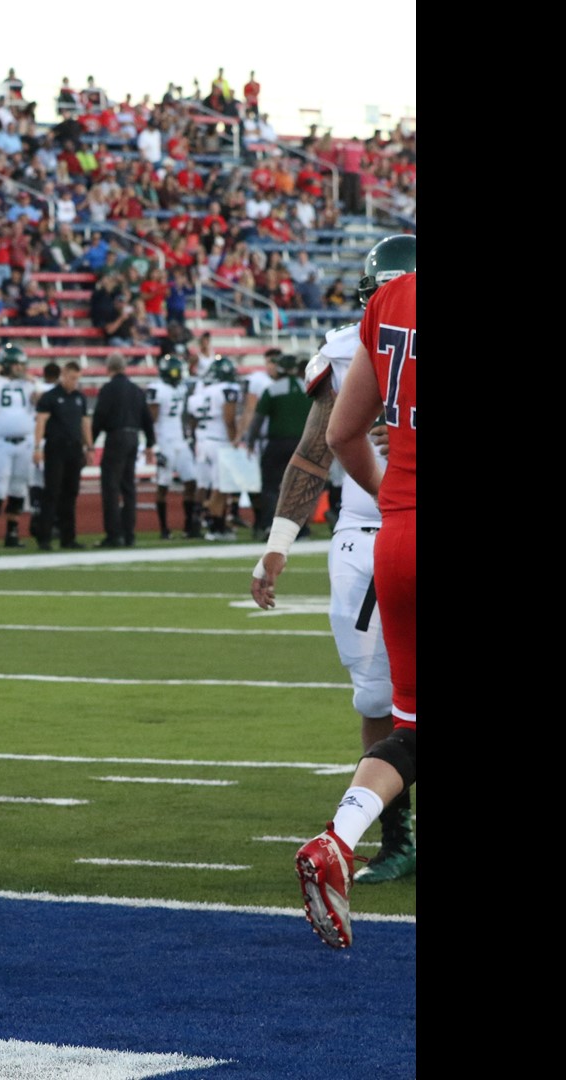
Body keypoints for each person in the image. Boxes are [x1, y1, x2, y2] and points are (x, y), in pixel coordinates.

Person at [253, 237, 416, 905]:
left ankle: (351, 832)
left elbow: (330, 443)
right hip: (370, 533)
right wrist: (279, 540)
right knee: (380, 702)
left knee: (396, 708)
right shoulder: (353, 343)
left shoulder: (373, 327)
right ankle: (394, 838)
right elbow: (317, 451)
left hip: (392, 534)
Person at [91, 355, 155, 547]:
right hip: (133, 437)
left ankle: (114, 534)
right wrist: (150, 443)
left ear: (108, 368)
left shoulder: (108, 389)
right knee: (129, 487)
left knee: (111, 486)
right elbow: (147, 418)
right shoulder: (136, 390)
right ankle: (129, 533)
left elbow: (99, 417)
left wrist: (89, 443)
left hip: (116, 437)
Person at [0, 345, 36, 549]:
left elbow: (40, 401)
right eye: (16, 364)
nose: (20, 368)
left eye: (22, 364)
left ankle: (12, 532)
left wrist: (35, 384)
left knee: (18, 488)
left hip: (24, 442)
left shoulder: (28, 384)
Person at [248, 353, 309, 541]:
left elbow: (258, 419)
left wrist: (251, 440)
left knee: (271, 487)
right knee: (299, 486)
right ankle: (301, 528)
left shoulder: (272, 389)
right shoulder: (307, 388)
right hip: (303, 443)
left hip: (277, 442)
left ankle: (268, 526)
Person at [32, 361, 90, 550]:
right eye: (72, 378)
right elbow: (41, 422)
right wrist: (37, 447)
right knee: (52, 492)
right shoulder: (50, 397)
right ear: (63, 375)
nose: (75, 382)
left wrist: (89, 447)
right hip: (56, 448)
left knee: (71, 493)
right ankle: (45, 536)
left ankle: (68, 537)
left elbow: (84, 423)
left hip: (74, 448)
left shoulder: (80, 398)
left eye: (77, 379)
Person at [188, 357, 242, 540]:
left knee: (204, 485)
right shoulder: (227, 389)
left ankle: (196, 523)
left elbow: (192, 419)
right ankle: (215, 526)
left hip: (202, 441)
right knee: (221, 487)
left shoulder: (202, 390)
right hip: (219, 441)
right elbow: (228, 419)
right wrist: (234, 440)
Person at [148, 353, 199, 539]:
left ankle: (188, 526)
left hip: (180, 440)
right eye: (176, 371)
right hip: (165, 441)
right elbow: (151, 419)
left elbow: (183, 414)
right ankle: (163, 529)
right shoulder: (157, 388)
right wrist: (155, 447)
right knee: (163, 485)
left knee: (191, 481)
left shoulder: (181, 388)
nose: (178, 375)